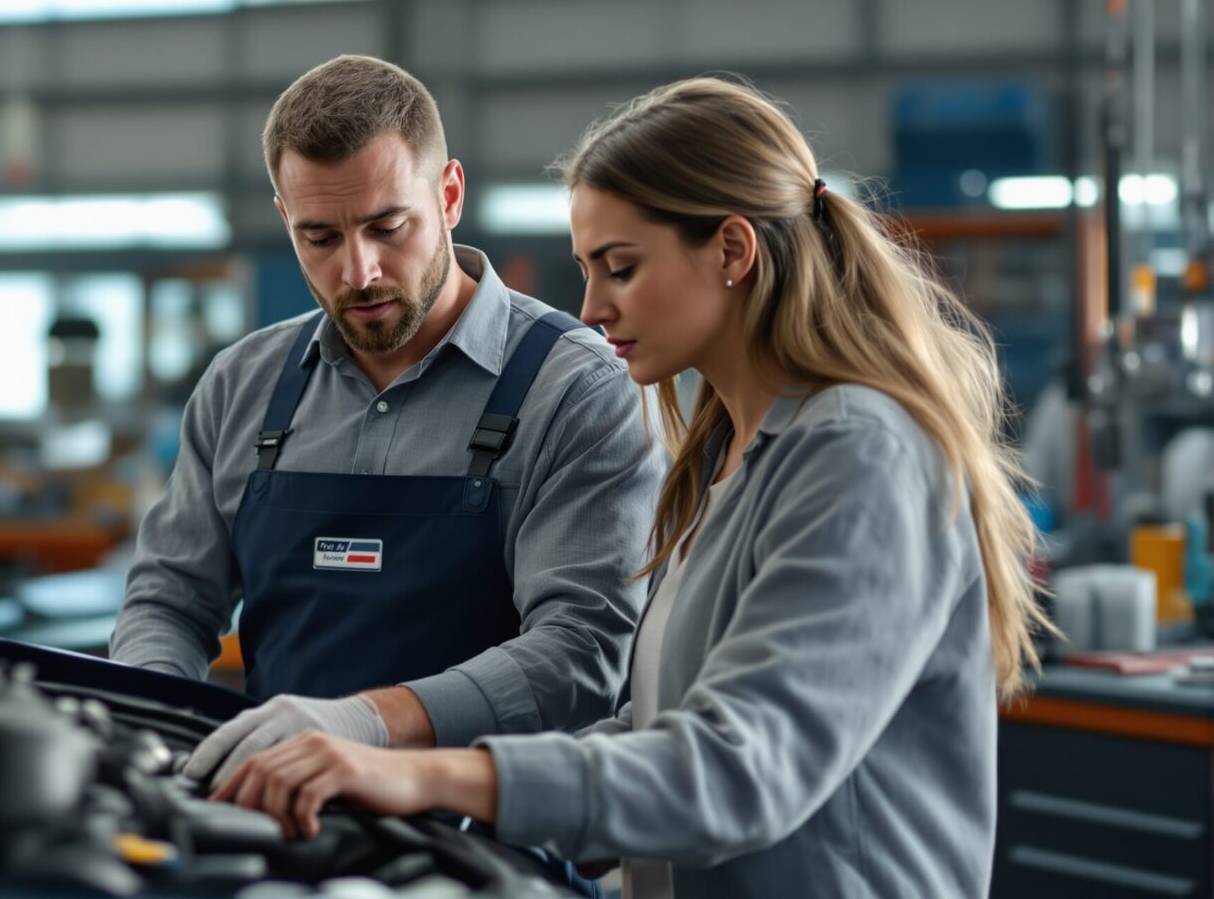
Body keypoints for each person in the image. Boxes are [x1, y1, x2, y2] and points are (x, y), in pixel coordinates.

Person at [208, 77, 1049, 899]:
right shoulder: (724, 456)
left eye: (620, 267)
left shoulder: (858, 452)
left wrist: (425, 772)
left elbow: (738, 771)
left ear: (731, 249)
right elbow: (656, 730)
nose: (594, 307)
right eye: (587, 269)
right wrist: (412, 810)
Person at [110, 55, 663, 788]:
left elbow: (579, 653)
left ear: (450, 194)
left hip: (492, 853)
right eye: (320, 238)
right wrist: (154, 729)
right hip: (280, 830)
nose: (358, 271)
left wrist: (367, 723)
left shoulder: (578, 392)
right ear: (286, 219)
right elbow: (168, 603)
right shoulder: (242, 387)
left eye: (386, 226)